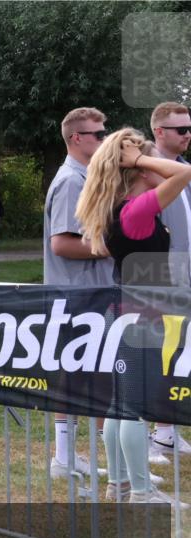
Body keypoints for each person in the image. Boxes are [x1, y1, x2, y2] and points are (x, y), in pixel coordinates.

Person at [75, 128, 191, 507]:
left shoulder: (123, 209)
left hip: (128, 312)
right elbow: (183, 174)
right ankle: (141, 491)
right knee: (134, 406)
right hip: (139, 318)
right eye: (150, 160)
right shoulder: (136, 211)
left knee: (120, 406)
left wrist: (137, 158)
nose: (159, 164)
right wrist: (139, 156)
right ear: (137, 169)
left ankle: (120, 485)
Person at [42, 107, 117, 481]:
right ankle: (64, 457)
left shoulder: (86, 176)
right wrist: (113, 246)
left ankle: (94, 458)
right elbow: (61, 244)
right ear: (76, 138)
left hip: (91, 292)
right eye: (98, 134)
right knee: (74, 375)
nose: (104, 139)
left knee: (96, 376)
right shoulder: (72, 180)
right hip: (77, 294)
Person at [147, 101, 191, 459]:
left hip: (185, 275)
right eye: (181, 129)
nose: (188, 135)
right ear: (159, 131)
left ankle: (168, 430)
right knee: (158, 351)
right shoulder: (147, 173)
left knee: (179, 352)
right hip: (157, 275)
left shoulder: (186, 170)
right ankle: (153, 432)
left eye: (189, 129)